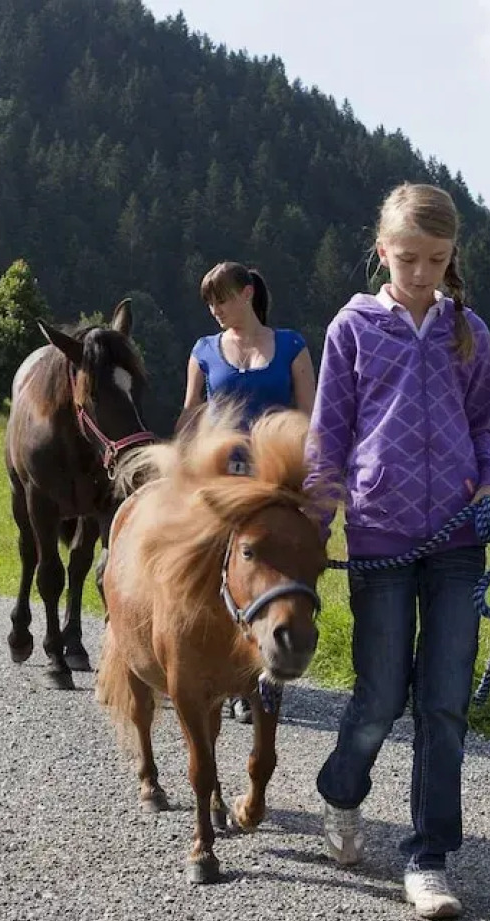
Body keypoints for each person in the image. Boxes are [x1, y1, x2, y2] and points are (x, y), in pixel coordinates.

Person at [305, 182, 490, 920]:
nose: (421, 272)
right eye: (408, 257)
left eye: (436, 258)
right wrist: (317, 514)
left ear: (452, 256)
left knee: (444, 703)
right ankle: (341, 790)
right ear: (382, 250)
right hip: (380, 537)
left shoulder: (470, 333)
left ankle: (427, 857)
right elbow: (328, 432)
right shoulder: (352, 329)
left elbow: (484, 429)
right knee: (382, 693)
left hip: (458, 537)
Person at [181, 262, 316, 722]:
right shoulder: (202, 350)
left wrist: (314, 489)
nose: (215, 309)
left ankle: (262, 672)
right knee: (204, 573)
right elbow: (191, 416)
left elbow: (310, 418)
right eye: (209, 302)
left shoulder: (293, 346)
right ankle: (211, 665)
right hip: (219, 480)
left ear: (248, 293)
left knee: (272, 574)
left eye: (222, 298)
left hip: (275, 483)